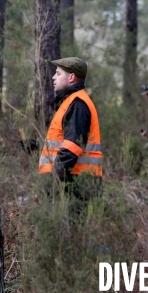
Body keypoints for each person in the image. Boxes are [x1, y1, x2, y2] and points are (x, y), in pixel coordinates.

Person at [38, 57, 103, 197]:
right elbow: (66, 141)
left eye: (58, 73)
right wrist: (37, 145)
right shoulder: (70, 102)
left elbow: (72, 147)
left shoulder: (78, 104)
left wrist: (53, 179)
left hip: (76, 182)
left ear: (71, 77)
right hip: (73, 179)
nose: (53, 77)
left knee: (71, 219)